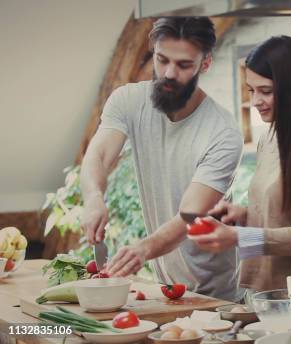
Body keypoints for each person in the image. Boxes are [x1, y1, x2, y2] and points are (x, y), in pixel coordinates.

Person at [187, 35, 291, 326]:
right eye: (251, 90)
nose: (255, 102)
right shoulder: (272, 136)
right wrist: (243, 216)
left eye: (266, 91)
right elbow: (284, 214)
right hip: (268, 302)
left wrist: (241, 237)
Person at [80, 17, 243, 302]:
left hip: (217, 297)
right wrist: (93, 197)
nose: (168, 73)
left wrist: (142, 249)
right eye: (162, 59)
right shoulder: (128, 100)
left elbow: (190, 215)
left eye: (183, 65)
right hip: (165, 288)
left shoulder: (223, 132)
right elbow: (99, 154)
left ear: (204, 64)